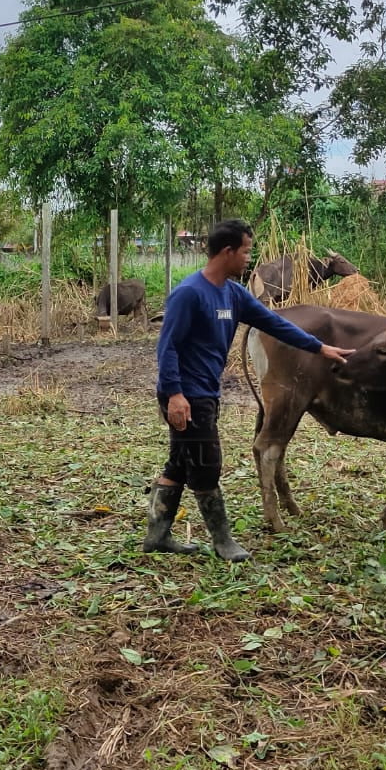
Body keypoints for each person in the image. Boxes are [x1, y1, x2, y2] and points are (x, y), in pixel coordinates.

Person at [145, 219, 353, 562]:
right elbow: (167, 348)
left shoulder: (233, 293)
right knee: (206, 465)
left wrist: (320, 347)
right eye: (245, 251)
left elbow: (276, 324)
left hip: (207, 392)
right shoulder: (189, 293)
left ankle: (157, 536)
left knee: (179, 464)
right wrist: (174, 395)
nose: (248, 259)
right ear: (227, 252)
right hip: (186, 394)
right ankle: (223, 541)